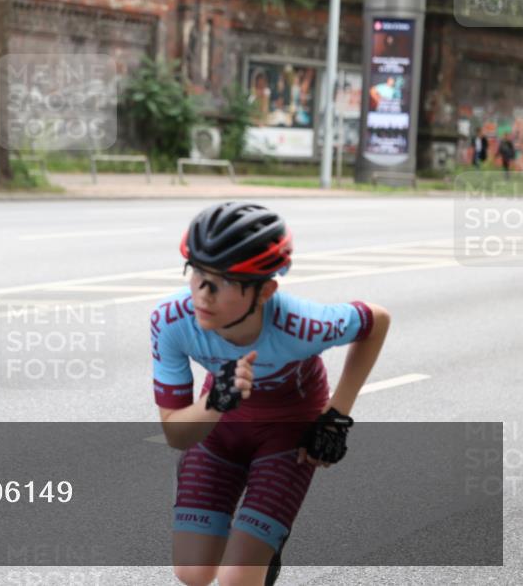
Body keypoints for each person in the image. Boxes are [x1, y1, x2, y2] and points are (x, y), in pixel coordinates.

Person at [151, 202, 390, 586]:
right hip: (222, 427)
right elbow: (176, 433)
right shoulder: (171, 321)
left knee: (236, 581)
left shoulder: (304, 324)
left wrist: (336, 416)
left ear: (266, 291)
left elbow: (377, 321)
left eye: (225, 281)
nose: (203, 294)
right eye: (197, 272)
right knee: (192, 573)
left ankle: (261, 548)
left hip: (288, 432)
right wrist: (213, 404)